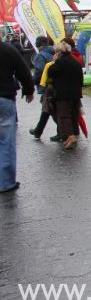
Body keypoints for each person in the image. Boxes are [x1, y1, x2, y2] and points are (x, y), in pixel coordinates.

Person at [0, 40, 34, 193]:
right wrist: (28, 90)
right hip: (4, 99)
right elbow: (23, 70)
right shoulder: (8, 49)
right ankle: (5, 182)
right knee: (6, 141)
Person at [47, 42, 84, 150]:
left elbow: (51, 73)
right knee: (74, 115)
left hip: (63, 93)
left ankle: (70, 136)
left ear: (59, 52)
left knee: (64, 115)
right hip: (76, 93)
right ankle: (74, 134)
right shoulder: (75, 62)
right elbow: (81, 80)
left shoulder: (60, 63)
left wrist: (55, 61)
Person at [29, 36, 55, 140]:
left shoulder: (40, 56)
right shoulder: (54, 53)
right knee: (48, 108)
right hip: (55, 85)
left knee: (48, 108)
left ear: (39, 44)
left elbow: (38, 72)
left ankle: (65, 131)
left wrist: (32, 82)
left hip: (46, 86)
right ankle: (38, 131)